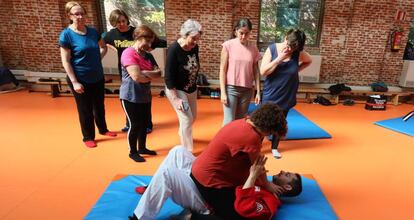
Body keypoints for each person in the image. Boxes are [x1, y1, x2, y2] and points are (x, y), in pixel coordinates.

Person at [130, 146, 302, 220]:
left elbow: (243, 208)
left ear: (287, 186)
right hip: (213, 188)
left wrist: (251, 176)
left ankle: (141, 217)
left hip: (208, 204)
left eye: (286, 174)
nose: (281, 171)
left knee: (168, 174)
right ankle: (154, 188)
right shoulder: (264, 183)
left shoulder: (270, 203)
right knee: (178, 151)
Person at [191, 103, 288, 219]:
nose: (269, 136)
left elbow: (254, 168)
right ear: (268, 128)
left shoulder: (244, 122)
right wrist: (267, 185)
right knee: (235, 216)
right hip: (208, 180)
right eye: (271, 133)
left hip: (202, 170)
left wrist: (262, 182)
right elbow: (257, 166)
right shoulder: (251, 137)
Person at [59, 1, 116, 148]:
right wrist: (75, 81)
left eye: (82, 13)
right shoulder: (67, 35)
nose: (79, 16)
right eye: (76, 14)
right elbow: (66, 61)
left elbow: (103, 47)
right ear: (69, 16)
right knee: (85, 109)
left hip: (97, 76)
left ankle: (103, 129)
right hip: (79, 78)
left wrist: (97, 59)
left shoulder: (92, 32)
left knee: (99, 105)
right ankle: (88, 137)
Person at [260, 28, 312, 159]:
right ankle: (256, 146)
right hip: (271, 92)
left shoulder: (297, 52)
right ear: (285, 38)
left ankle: (274, 147)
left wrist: (295, 71)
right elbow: (263, 71)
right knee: (264, 121)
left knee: (281, 121)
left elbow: (309, 61)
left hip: (287, 91)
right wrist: (279, 59)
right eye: (290, 46)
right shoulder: (272, 49)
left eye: (294, 48)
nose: (290, 50)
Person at [120, 25, 161, 162]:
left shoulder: (148, 55)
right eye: (147, 41)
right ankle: (133, 151)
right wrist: (148, 75)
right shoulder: (128, 53)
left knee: (145, 123)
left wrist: (144, 73)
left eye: (151, 42)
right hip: (130, 96)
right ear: (138, 37)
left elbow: (159, 73)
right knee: (135, 124)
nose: (149, 45)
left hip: (144, 95)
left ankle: (142, 147)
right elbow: (136, 77)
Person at [164, 19, 202, 152]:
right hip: (176, 90)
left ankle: (182, 133)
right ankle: (187, 152)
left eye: (198, 39)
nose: (195, 42)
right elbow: (168, 76)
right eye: (193, 39)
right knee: (187, 119)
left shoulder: (194, 47)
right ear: (184, 35)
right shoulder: (174, 50)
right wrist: (175, 99)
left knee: (193, 118)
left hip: (191, 89)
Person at [219, 18, 261, 126]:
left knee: (240, 122)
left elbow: (256, 71)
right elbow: (222, 70)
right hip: (231, 89)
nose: (243, 36)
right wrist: (223, 92)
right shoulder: (228, 45)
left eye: (246, 34)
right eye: (241, 33)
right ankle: (225, 142)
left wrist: (258, 92)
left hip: (247, 90)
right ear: (236, 31)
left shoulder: (253, 48)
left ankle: (236, 143)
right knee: (229, 121)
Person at [102, 9, 136, 133]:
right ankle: (129, 122)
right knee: (127, 97)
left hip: (138, 68)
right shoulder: (111, 34)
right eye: (118, 22)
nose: (121, 24)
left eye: (123, 21)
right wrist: (112, 47)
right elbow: (101, 41)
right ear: (113, 23)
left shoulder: (135, 32)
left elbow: (149, 41)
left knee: (141, 96)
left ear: (127, 19)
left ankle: (146, 123)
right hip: (124, 70)